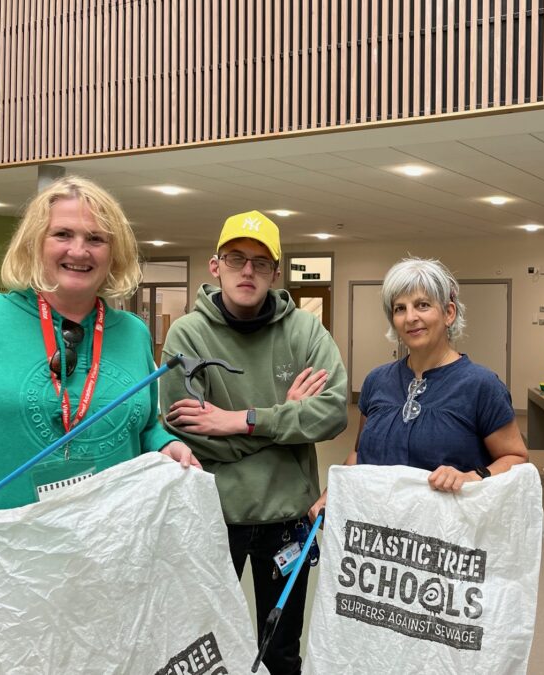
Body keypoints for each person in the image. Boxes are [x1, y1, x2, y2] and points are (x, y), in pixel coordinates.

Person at [0, 176, 198, 673]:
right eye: (63, 235)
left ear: (113, 254)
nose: (80, 250)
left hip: (92, 578)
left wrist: (166, 447)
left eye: (96, 239)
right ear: (35, 243)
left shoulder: (133, 334)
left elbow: (143, 426)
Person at [159, 210, 348, 675]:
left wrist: (239, 421)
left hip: (288, 520)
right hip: (214, 517)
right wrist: (285, 419)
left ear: (275, 274)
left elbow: (333, 412)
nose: (248, 271)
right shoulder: (188, 335)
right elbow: (185, 435)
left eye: (261, 263)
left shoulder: (304, 331)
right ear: (215, 265)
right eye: (237, 259)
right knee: (203, 642)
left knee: (281, 648)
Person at [310, 257, 527, 520]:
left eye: (422, 305)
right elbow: (361, 454)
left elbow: (516, 459)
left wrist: (472, 476)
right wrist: (333, 490)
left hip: (445, 537)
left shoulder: (481, 385)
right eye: (400, 308)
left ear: (449, 313)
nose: (411, 317)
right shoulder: (377, 381)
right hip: (380, 532)